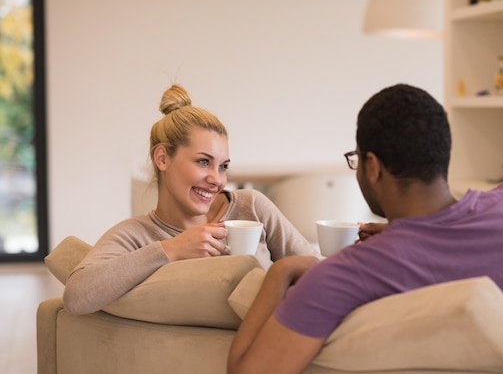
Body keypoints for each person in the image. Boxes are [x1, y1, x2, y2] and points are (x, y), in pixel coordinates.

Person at [226, 83, 503, 374]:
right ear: (442, 156)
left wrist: (280, 272)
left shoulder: (344, 275)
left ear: (373, 166)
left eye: (356, 159)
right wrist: (417, 234)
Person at [63, 84, 318, 315]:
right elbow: (76, 296)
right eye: (203, 162)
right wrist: (171, 249)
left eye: (223, 166)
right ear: (162, 158)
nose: (217, 180)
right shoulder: (135, 235)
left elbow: (314, 271)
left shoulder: (251, 207)